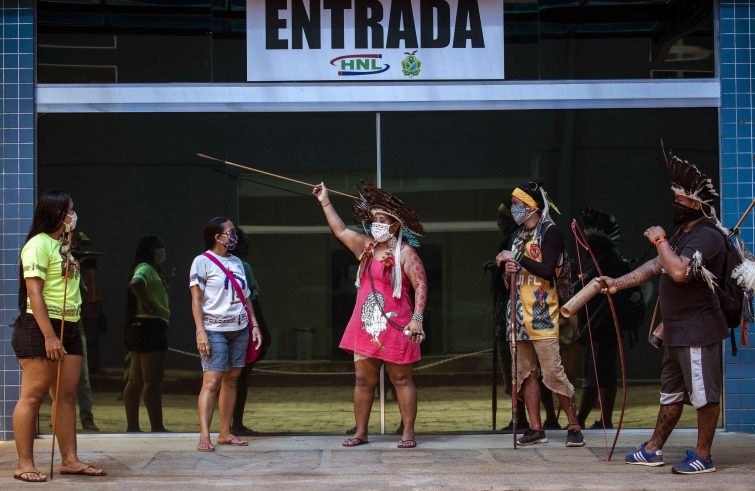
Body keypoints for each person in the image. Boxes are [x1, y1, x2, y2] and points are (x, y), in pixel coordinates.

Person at [600, 153, 729, 474]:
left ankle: (703, 456)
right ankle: (653, 449)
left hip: (698, 331)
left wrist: (659, 239)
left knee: (704, 395)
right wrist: (617, 283)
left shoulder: (708, 235)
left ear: (696, 203)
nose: (675, 203)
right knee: (670, 394)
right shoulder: (685, 232)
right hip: (676, 331)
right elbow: (657, 265)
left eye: (680, 198)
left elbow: (679, 271)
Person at [313, 181, 427, 449]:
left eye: (382, 220)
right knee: (363, 380)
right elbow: (340, 230)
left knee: (401, 379)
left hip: (398, 325)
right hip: (366, 325)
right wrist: (325, 201)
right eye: (374, 219)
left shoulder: (406, 253)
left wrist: (417, 318)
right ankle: (361, 432)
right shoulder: (365, 247)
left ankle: (408, 432)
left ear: (395, 226)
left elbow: (421, 285)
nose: (376, 224)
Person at [12, 190, 106, 482]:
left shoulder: (63, 246)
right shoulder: (38, 244)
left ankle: (70, 460)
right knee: (32, 396)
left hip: (71, 325)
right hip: (42, 327)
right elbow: (34, 292)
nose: (73, 216)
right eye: (70, 211)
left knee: (65, 396)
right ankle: (24, 464)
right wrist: (50, 336)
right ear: (57, 214)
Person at [495, 182, 585, 447]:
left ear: (532, 206)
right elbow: (511, 278)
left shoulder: (550, 232)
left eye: (517, 204)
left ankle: (574, 426)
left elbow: (547, 270)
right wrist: (508, 272)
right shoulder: (516, 235)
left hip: (542, 312)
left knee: (553, 372)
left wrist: (516, 257)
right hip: (517, 314)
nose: (514, 209)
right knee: (525, 373)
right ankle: (536, 428)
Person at [190, 217, 263, 452]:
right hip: (214, 329)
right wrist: (200, 331)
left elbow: (246, 297)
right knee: (212, 381)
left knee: (232, 380)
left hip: (239, 328)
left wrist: (254, 325)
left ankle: (224, 432)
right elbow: (196, 299)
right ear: (217, 237)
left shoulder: (237, 262)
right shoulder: (202, 262)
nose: (234, 237)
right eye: (230, 233)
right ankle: (204, 435)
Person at [123, 236, 170, 432]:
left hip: (140, 327)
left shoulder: (150, 269)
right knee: (153, 380)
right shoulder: (146, 268)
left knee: (136, 380)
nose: (162, 251)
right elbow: (136, 283)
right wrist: (149, 305)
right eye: (159, 248)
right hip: (150, 326)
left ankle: (133, 426)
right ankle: (157, 427)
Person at [230, 229, 271, 436]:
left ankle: (232, 423)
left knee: (232, 377)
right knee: (238, 377)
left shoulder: (226, 264)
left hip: (230, 323)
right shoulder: (241, 266)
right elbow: (250, 297)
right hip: (241, 323)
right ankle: (234, 423)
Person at [73, 231, 100, 431]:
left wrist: (86, 269)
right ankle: (58, 419)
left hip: (76, 323)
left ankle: (86, 417)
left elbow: (90, 297)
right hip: (56, 322)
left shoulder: (78, 267)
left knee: (83, 378)